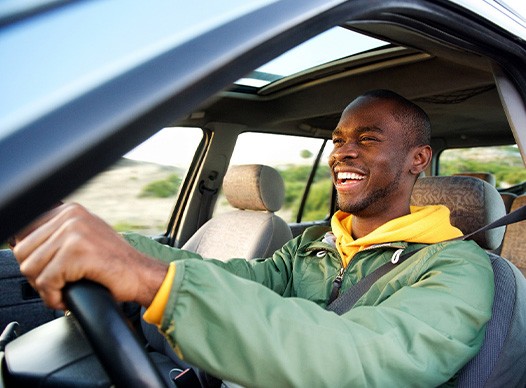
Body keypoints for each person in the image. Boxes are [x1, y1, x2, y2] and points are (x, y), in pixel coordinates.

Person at [13, 90, 494, 387]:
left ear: (418, 159)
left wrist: (152, 281)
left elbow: (364, 359)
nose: (343, 153)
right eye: (339, 139)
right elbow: (233, 278)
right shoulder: (313, 247)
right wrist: (115, 246)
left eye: (367, 139)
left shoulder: (456, 269)